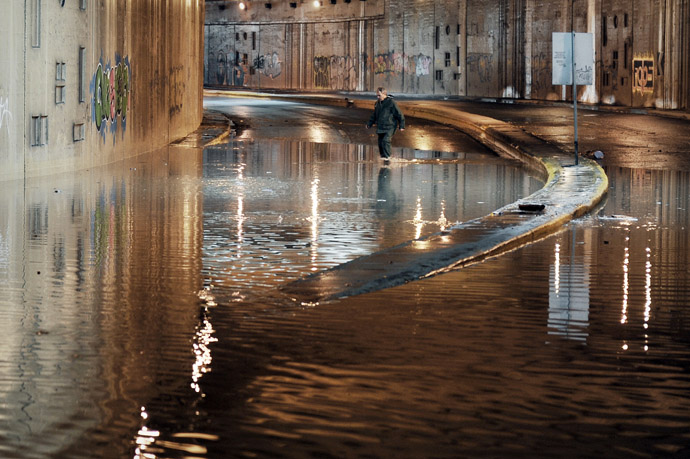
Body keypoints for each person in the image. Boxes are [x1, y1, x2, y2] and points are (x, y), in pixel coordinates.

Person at [366, 87, 405, 161]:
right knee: (380, 143)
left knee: (385, 141)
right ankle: (383, 158)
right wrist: (369, 123)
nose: (378, 97)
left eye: (379, 95)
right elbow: (374, 115)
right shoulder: (377, 103)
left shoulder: (391, 103)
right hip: (380, 127)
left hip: (390, 126)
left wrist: (401, 125)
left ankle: (388, 158)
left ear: (384, 94)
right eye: (377, 95)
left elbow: (399, 114)